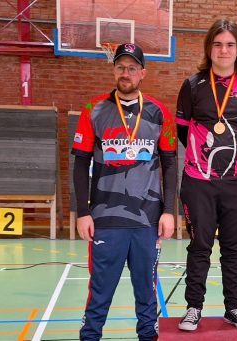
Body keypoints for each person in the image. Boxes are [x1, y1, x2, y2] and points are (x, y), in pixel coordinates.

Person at [72, 43, 177, 341]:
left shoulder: (159, 113)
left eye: (132, 68)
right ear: (114, 69)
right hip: (105, 219)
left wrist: (169, 210)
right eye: (121, 67)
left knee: (146, 293)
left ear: (142, 72)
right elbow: (80, 164)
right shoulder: (94, 110)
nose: (126, 73)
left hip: (147, 220)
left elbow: (170, 164)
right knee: (100, 293)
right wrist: (82, 212)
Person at [175, 19, 237, 331]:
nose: (224, 50)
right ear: (209, 49)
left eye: (229, 44)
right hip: (198, 181)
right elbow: (181, 132)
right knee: (199, 246)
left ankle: (234, 307)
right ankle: (193, 307)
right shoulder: (191, 86)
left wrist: (232, 164)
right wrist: (207, 166)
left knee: (233, 248)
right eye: (218, 44)